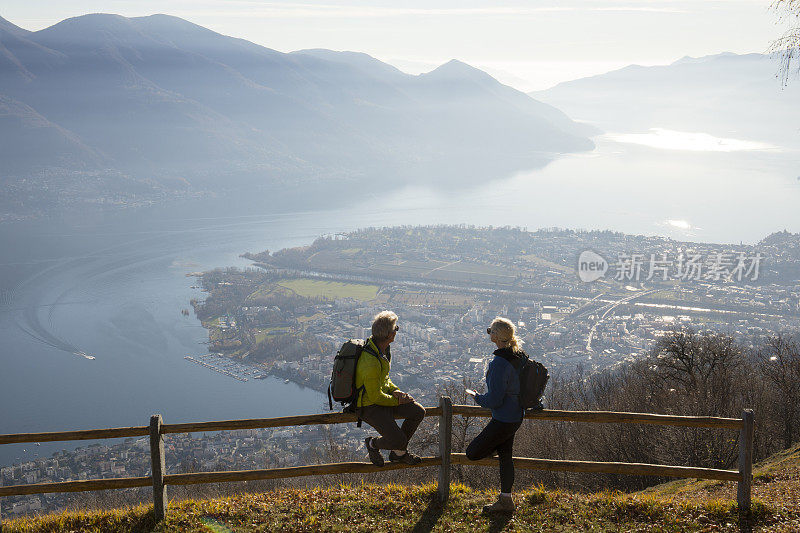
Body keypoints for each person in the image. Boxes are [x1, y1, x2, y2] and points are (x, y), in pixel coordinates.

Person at [466, 317, 525, 514]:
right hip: (516, 416)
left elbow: (495, 399)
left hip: (503, 419)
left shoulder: (499, 362)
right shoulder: (519, 355)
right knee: (506, 457)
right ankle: (506, 500)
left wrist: (477, 397)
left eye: (490, 330)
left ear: (495, 336)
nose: (488, 332)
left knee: (472, 453)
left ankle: (505, 501)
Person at [357, 310, 425, 466]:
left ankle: (398, 453)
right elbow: (374, 397)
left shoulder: (381, 350)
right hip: (368, 406)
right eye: (395, 328)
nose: (396, 331)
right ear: (388, 334)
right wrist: (398, 402)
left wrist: (395, 391)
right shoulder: (370, 361)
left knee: (417, 412)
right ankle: (373, 444)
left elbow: (384, 379)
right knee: (398, 440)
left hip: (381, 400)